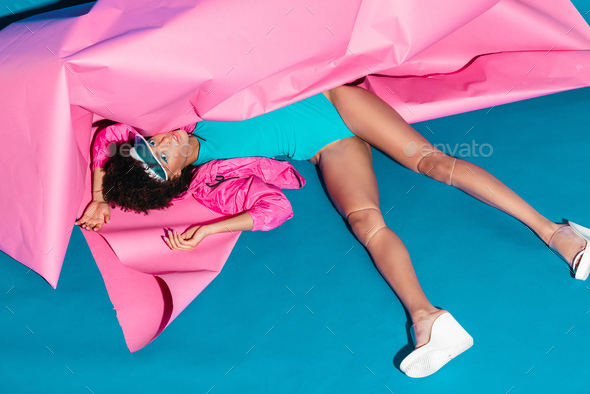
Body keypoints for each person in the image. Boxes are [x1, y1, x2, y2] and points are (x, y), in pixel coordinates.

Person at [75, 84, 590, 378]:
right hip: (326, 149)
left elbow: (109, 141)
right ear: (174, 176)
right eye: (160, 155)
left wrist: (100, 196)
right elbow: (273, 209)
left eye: (150, 144)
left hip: (335, 101)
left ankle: (559, 234)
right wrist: (211, 231)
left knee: (432, 164)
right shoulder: (210, 179)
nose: (160, 141)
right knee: (365, 222)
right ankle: (428, 317)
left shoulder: (177, 113)